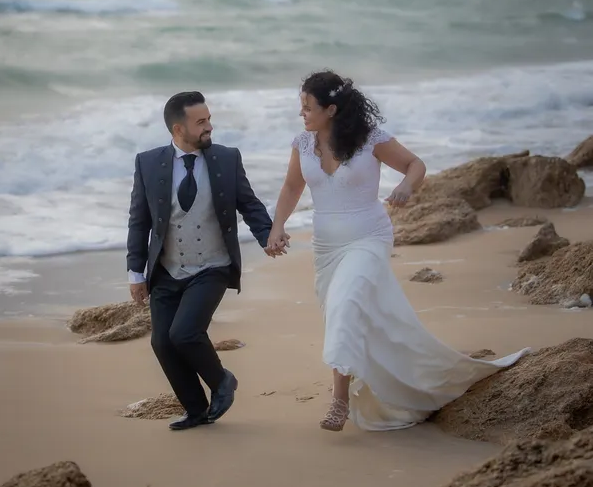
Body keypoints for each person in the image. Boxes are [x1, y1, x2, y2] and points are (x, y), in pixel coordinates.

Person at [266, 70, 529, 433]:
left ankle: (339, 400)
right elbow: (291, 188)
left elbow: (415, 164)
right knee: (349, 315)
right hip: (326, 246)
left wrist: (407, 186)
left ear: (331, 109)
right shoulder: (302, 144)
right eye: (301, 107)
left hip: (369, 238)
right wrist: (277, 227)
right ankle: (416, 376)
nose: (302, 114)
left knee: (345, 305)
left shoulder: (369, 138)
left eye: (308, 107)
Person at [127, 91, 285, 431]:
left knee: (185, 333)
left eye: (209, 119)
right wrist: (135, 273)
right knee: (162, 342)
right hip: (167, 269)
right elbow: (139, 221)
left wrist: (268, 236)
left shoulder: (226, 159)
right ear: (178, 128)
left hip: (212, 265)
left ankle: (222, 381)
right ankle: (197, 410)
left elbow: (250, 203)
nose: (209, 127)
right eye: (201, 122)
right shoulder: (148, 162)